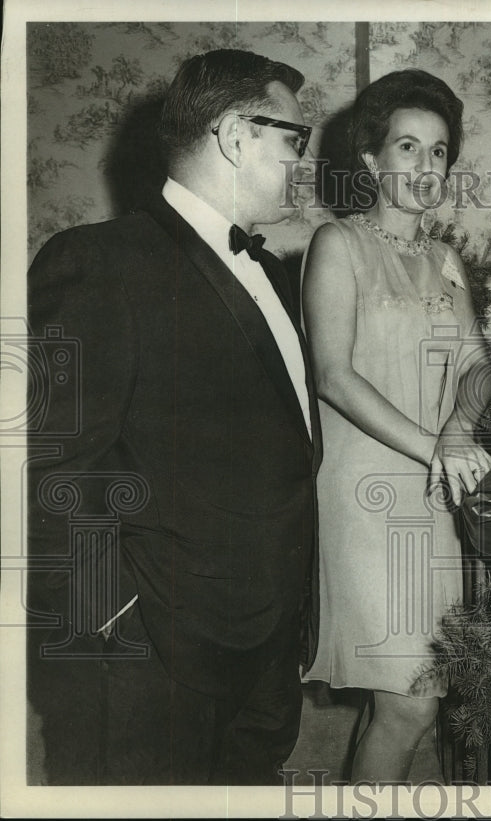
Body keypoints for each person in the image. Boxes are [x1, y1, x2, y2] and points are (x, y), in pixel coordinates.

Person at [27, 49, 320, 785]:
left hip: (263, 648)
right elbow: (54, 470)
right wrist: (109, 628)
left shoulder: (274, 273)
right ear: (234, 135)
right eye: (295, 139)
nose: (302, 163)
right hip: (151, 659)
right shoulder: (98, 261)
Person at [299, 69, 491, 783]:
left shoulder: (445, 259)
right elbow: (333, 375)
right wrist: (435, 445)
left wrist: (462, 431)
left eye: (439, 152)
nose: (424, 166)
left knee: (417, 698)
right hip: (365, 493)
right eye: (407, 147)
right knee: (410, 703)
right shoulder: (336, 245)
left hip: (434, 494)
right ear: (373, 161)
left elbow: (478, 367)